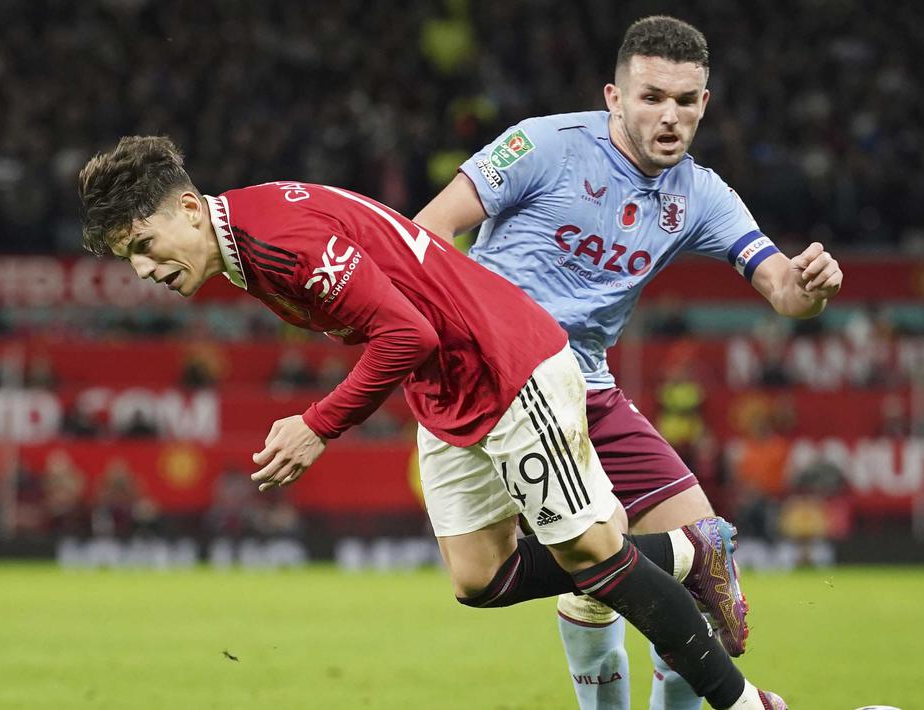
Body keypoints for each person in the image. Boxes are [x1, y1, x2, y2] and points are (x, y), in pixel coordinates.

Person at [78, 135, 785, 710]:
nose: (142, 269)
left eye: (143, 243)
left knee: (597, 561)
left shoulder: (275, 240)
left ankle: (745, 699)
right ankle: (687, 550)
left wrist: (318, 425)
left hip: (503, 367)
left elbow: (404, 333)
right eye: (126, 258)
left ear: (186, 208)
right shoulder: (244, 234)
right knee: (479, 578)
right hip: (444, 386)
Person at [415, 15, 841, 710]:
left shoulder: (700, 194)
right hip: (486, 375)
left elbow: (782, 291)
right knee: (489, 580)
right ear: (613, 97)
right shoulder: (542, 145)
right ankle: (675, 561)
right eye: (650, 97)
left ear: (703, 104)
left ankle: (675, 573)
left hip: (584, 386)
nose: (667, 115)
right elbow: (428, 230)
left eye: (683, 100)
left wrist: (808, 287)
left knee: (697, 568)